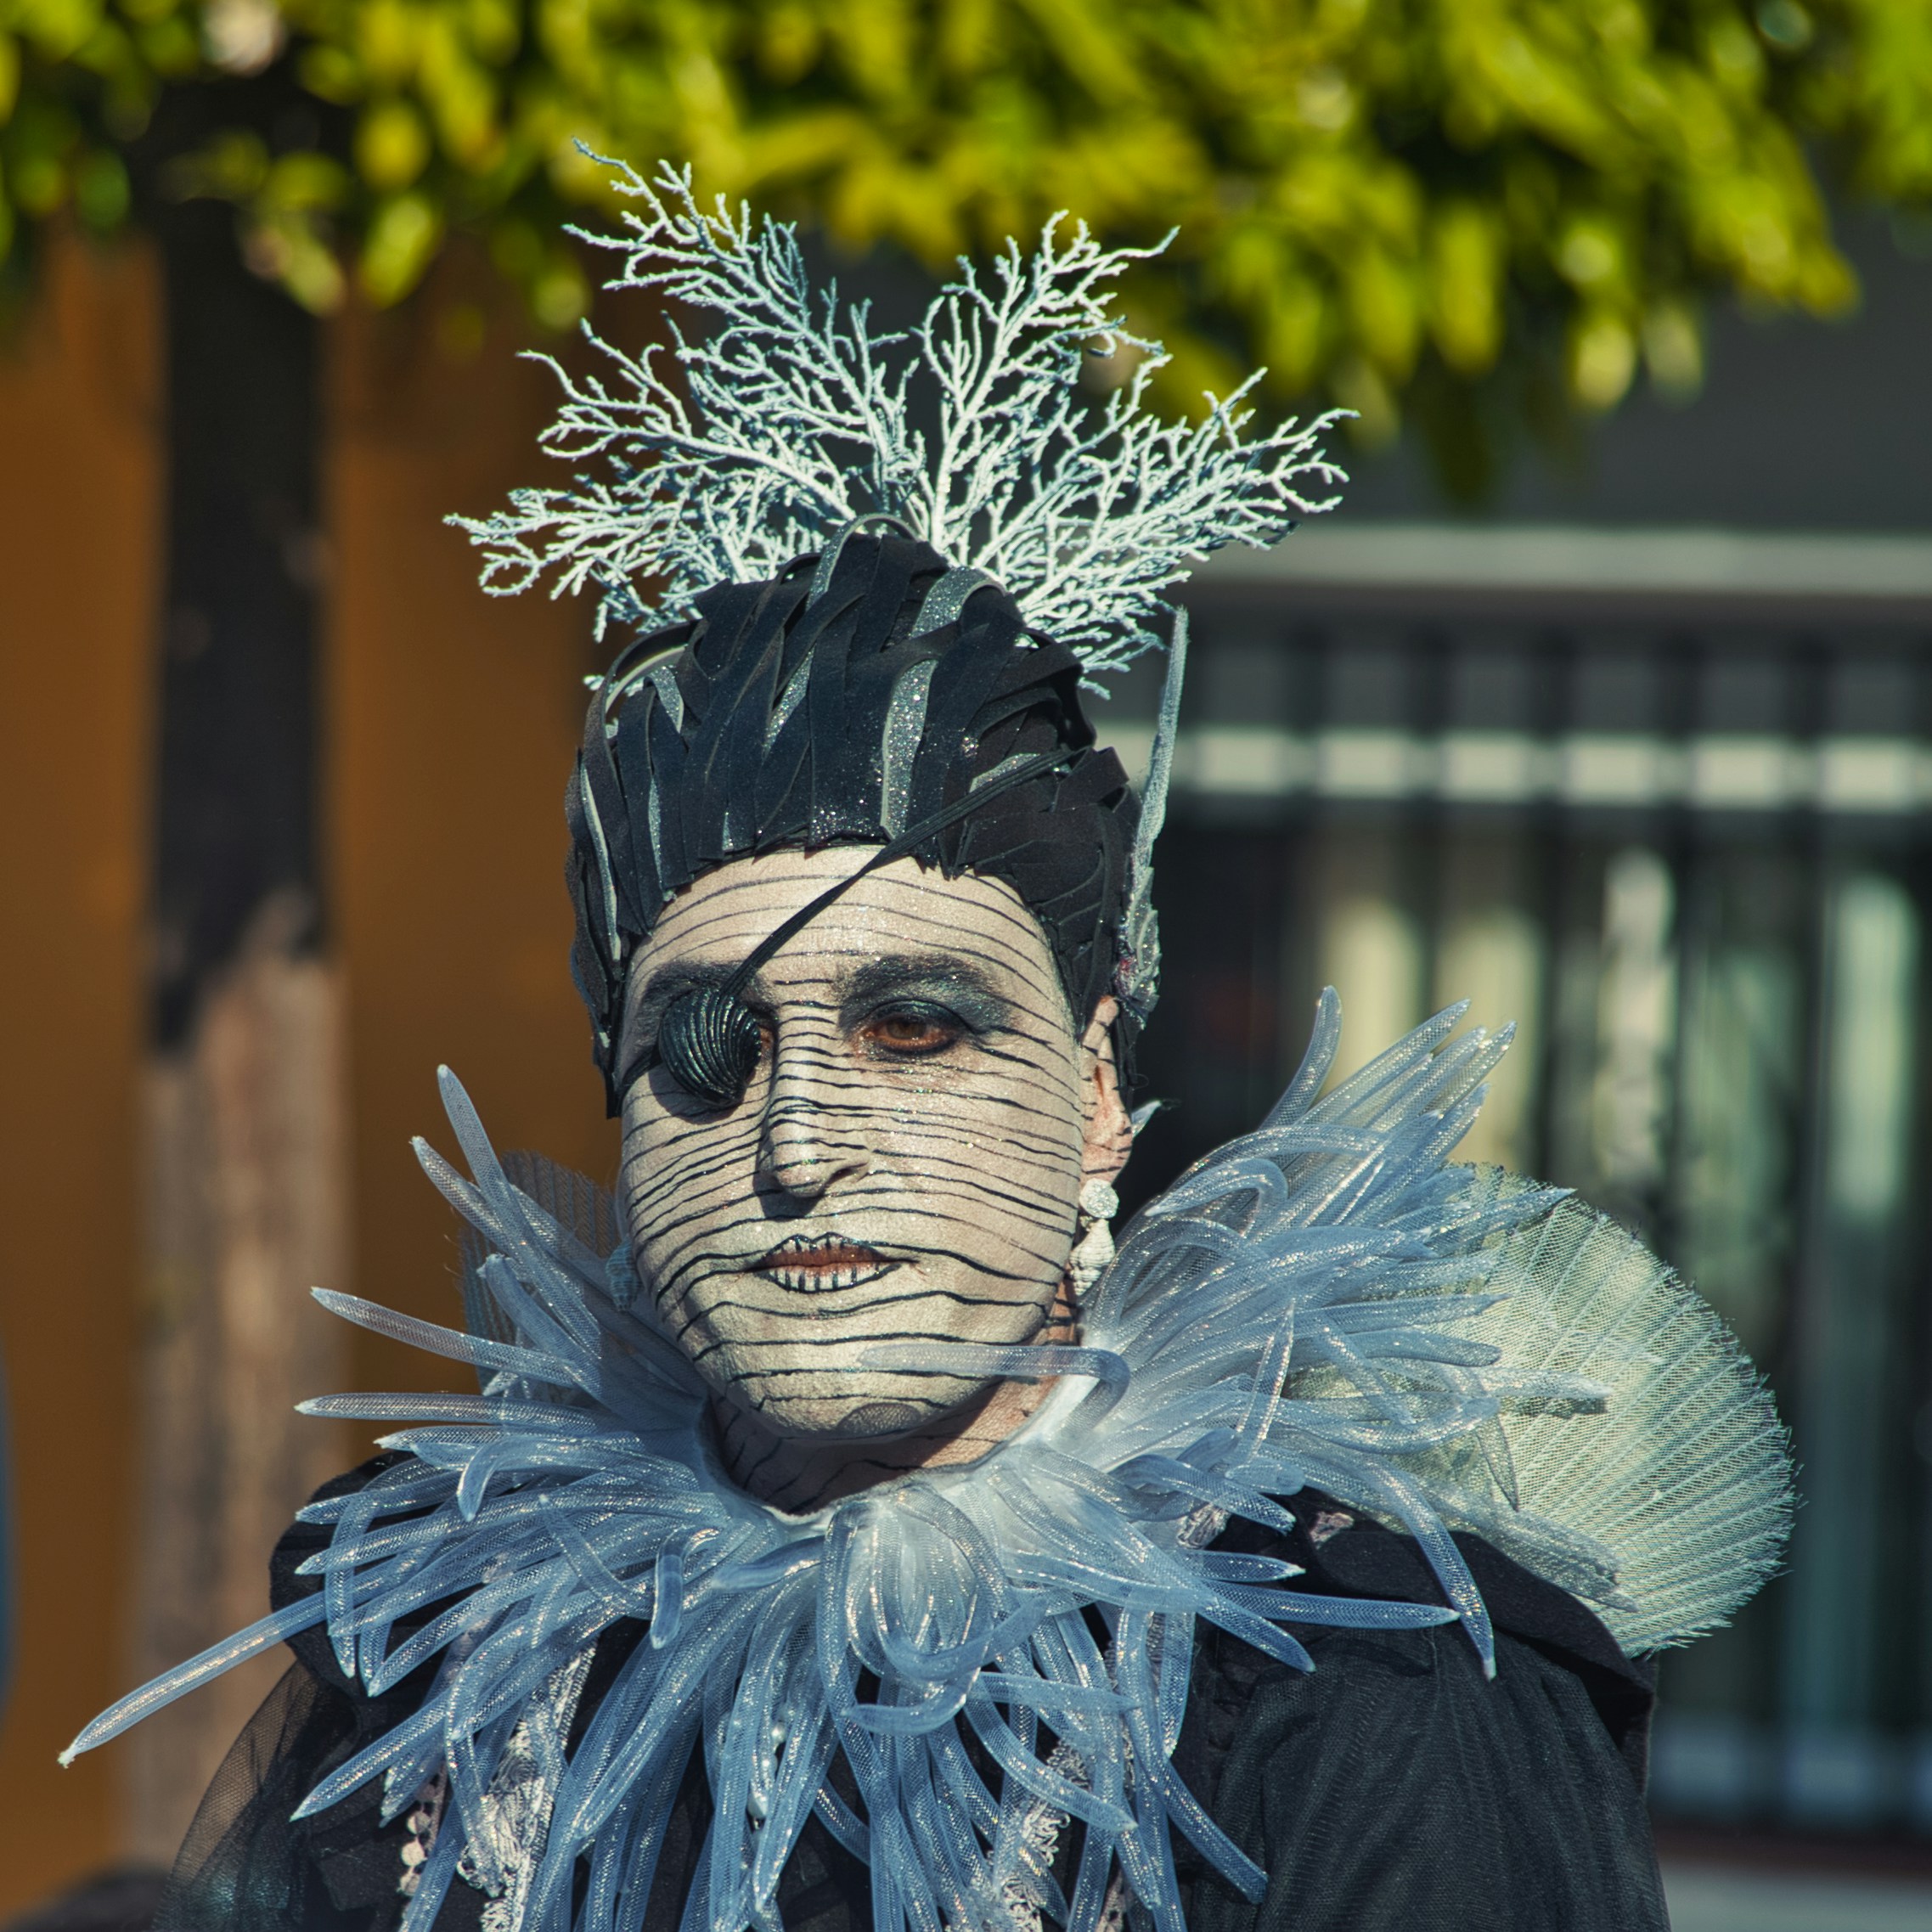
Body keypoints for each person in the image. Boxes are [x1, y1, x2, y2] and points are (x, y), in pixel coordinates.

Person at [68, 163, 1792, 1932]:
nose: (799, 1139)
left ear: (1099, 1087)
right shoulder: (457, 1664)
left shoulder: (1362, 1695)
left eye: (915, 1024)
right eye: (709, 1047)